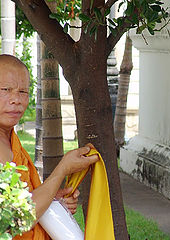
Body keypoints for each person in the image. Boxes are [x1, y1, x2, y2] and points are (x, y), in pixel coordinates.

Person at [0, 54, 99, 239]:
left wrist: (52, 198)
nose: (17, 100)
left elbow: (20, 200)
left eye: (23, 92)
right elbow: (14, 219)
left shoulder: (9, 137)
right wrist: (62, 170)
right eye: (6, 89)